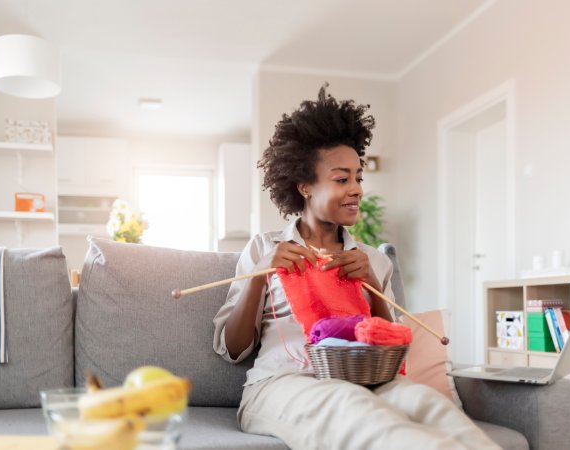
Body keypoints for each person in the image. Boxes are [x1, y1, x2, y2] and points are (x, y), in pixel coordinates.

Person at [212, 85, 500, 450]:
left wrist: (370, 283)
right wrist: (260, 274)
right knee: (354, 407)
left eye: (359, 177)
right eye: (341, 179)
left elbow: (392, 355)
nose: (357, 189)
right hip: (281, 385)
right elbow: (232, 348)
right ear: (304, 186)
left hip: (368, 380)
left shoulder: (373, 261)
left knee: (427, 403)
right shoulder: (264, 248)